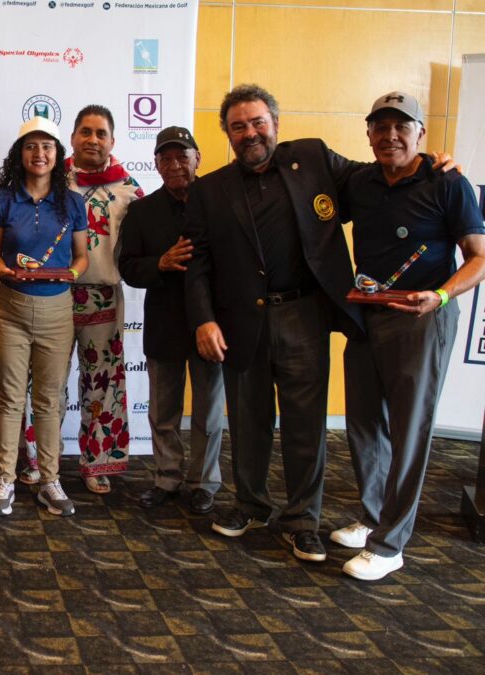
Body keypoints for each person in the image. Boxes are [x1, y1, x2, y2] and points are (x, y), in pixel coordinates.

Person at [183, 84, 365, 563]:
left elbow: (377, 181)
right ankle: (250, 504)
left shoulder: (315, 158)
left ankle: (303, 520)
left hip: (303, 313)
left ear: (276, 124)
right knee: (247, 419)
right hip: (240, 320)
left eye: (257, 122)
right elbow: (197, 264)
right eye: (238, 126)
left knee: (306, 424)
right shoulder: (209, 190)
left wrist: (429, 166)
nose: (249, 132)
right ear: (226, 132)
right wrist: (203, 320)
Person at [337, 92, 485, 580]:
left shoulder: (449, 182)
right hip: (366, 317)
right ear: (368, 134)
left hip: (422, 317)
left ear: (421, 132)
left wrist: (440, 297)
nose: (390, 136)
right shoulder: (361, 181)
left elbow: (479, 256)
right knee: (363, 424)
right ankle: (374, 516)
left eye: (401, 127)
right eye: (380, 127)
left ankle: (390, 544)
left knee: (409, 430)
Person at [15, 106, 144, 495]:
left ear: (112, 142)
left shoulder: (130, 191)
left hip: (101, 295)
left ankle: (96, 461)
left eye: (101, 133)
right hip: (51, 292)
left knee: (101, 383)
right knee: (43, 381)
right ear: (71, 138)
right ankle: (38, 460)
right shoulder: (50, 181)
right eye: (85, 132)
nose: (92, 139)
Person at [0, 117, 88, 518]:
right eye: (31, 146)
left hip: (57, 309)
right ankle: (5, 479)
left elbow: (80, 257)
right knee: (11, 399)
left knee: (48, 400)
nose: (39, 154)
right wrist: (1, 270)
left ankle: (50, 481)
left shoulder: (73, 202)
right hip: (10, 307)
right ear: (20, 153)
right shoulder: (4, 198)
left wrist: (71, 274)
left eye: (47, 146)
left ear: (58, 154)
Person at [119, 126, 225, 514]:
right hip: (164, 323)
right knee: (163, 412)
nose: (176, 164)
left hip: (211, 324)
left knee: (209, 412)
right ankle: (167, 477)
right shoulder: (143, 211)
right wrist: (159, 263)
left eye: (183, 156)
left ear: (198, 158)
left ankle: (203, 482)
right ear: (156, 165)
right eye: (166, 158)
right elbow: (128, 268)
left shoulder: (218, 203)